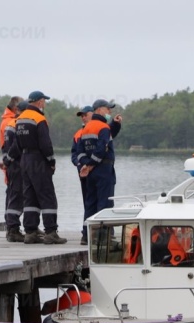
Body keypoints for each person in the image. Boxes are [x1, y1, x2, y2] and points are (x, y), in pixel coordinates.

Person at [10, 90, 67, 244]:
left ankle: (30, 232)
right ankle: (50, 232)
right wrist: (51, 161)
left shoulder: (19, 119)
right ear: (40, 102)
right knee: (47, 195)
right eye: (44, 101)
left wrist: (9, 159)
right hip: (38, 160)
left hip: (25, 160)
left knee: (30, 197)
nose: (45, 103)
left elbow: (17, 144)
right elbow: (45, 144)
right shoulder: (39, 118)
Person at [77, 99, 123, 231]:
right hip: (103, 169)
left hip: (90, 173)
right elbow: (102, 148)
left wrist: (87, 164)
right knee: (105, 203)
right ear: (98, 110)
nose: (109, 111)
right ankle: (104, 237)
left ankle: (87, 235)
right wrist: (91, 164)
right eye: (107, 108)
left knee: (90, 203)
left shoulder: (85, 128)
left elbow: (80, 152)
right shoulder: (103, 127)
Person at [1, 100, 29, 242]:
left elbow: (4, 147)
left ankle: (11, 227)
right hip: (17, 165)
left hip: (11, 165)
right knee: (17, 196)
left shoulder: (9, 125)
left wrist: (6, 161)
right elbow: (17, 146)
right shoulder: (18, 124)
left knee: (13, 195)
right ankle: (13, 229)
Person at [70, 105, 93, 245]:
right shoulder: (78, 134)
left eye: (85, 115)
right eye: (81, 116)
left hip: (94, 171)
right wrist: (79, 164)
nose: (83, 117)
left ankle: (92, 233)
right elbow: (74, 153)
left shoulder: (99, 129)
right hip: (83, 173)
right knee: (88, 202)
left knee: (96, 202)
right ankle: (86, 233)